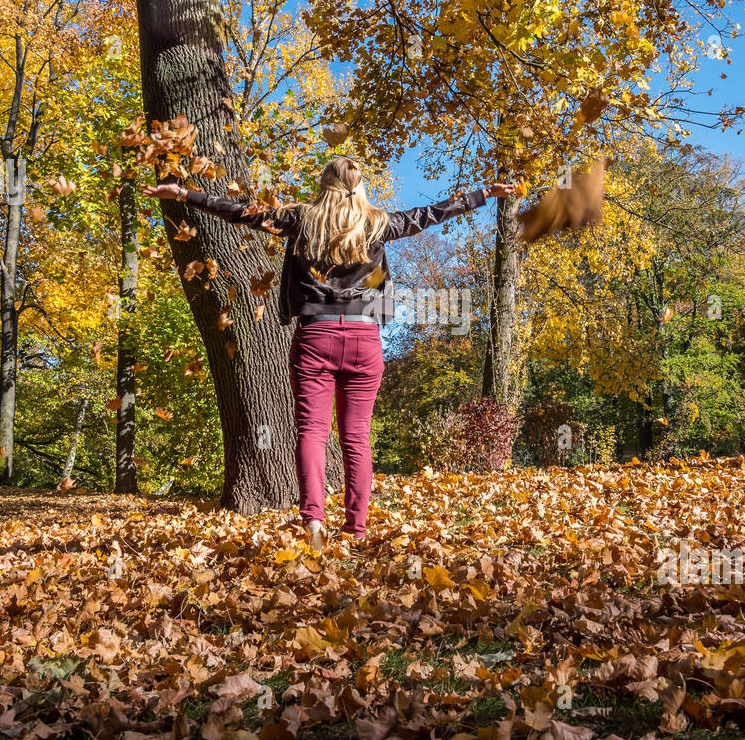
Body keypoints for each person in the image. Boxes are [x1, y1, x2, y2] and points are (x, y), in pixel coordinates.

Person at [144, 156, 516, 546]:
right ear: (360, 187)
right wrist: (483, 194)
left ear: (325, 184)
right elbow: (431, 214)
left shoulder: (300, 218)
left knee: (312, 432)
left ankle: (314, 523)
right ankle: (356, 529)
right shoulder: (378, 223)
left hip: (315, 337)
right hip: (364, 340)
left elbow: (242, 212)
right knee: (356, 438)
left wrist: (185, 193)